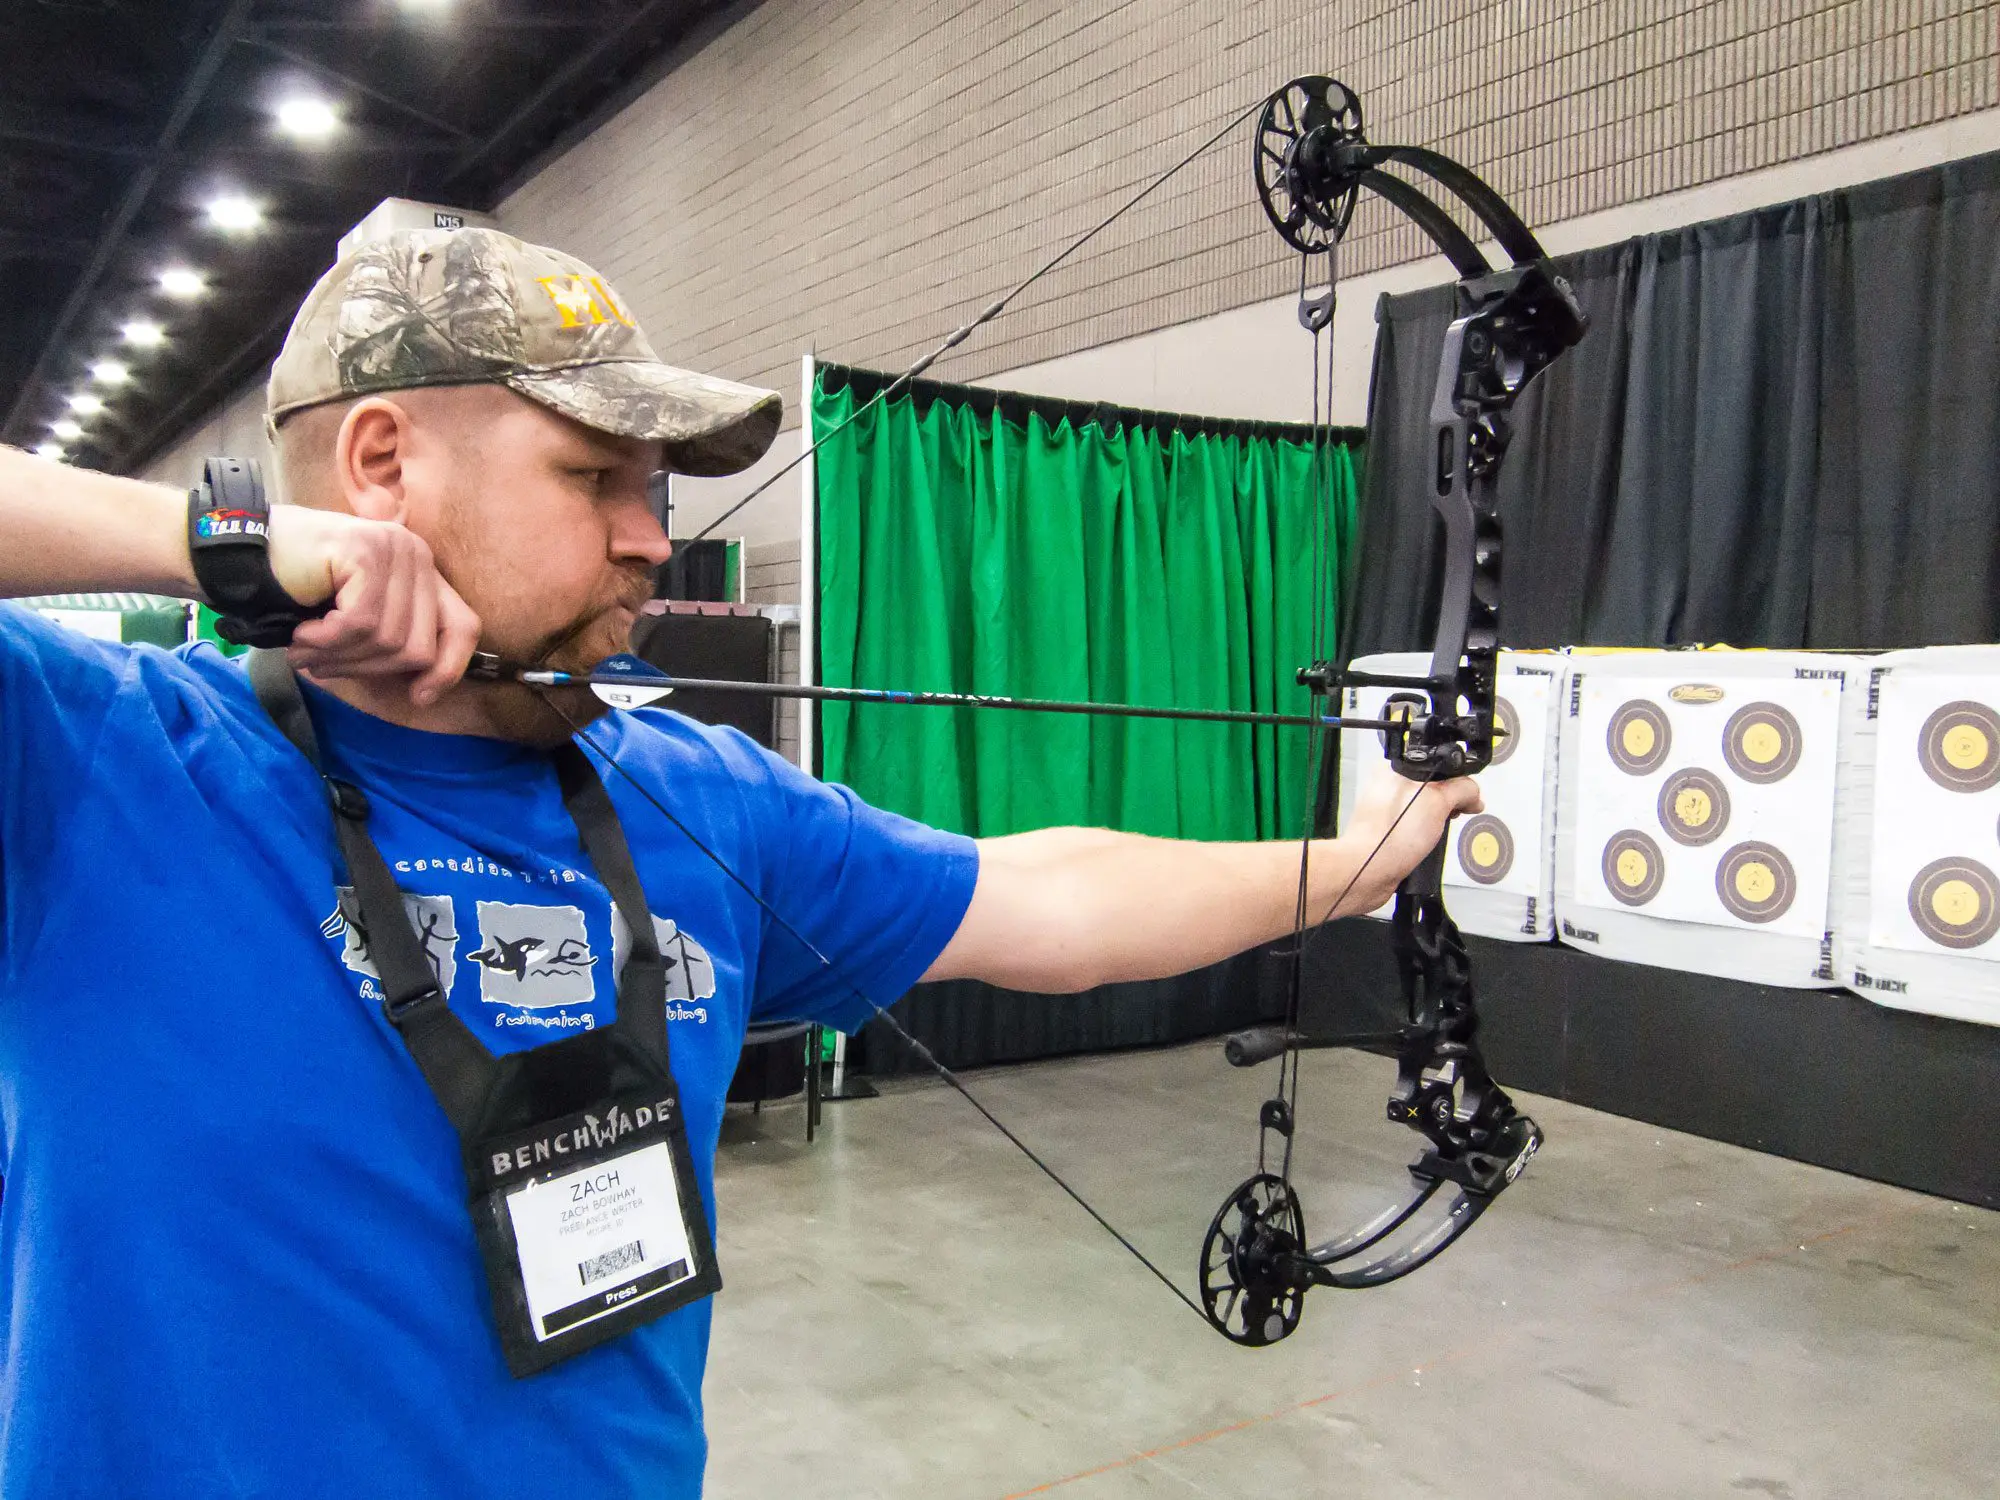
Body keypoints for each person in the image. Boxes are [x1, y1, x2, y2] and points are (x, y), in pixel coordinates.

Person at [0, 228, 1476, 1498]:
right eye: (598, 478)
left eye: (658, 489)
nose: (655, 540)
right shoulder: (91, 760)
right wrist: (221, 541)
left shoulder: (692, 794)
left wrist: (1360, 860)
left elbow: (1045, 898)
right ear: (381, 464)